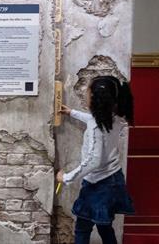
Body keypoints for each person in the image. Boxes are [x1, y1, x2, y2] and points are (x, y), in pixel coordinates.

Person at [57, 75, 135, 244]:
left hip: (99, 184)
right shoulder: (115, 117)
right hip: (113, 179)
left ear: (94, 98)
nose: (85, 92)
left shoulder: (97, 126)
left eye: (88, 91)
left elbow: (93, 161)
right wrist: (72, 112)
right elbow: (92, 119)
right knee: (104, 226)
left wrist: (66, 177)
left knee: (82, 228)